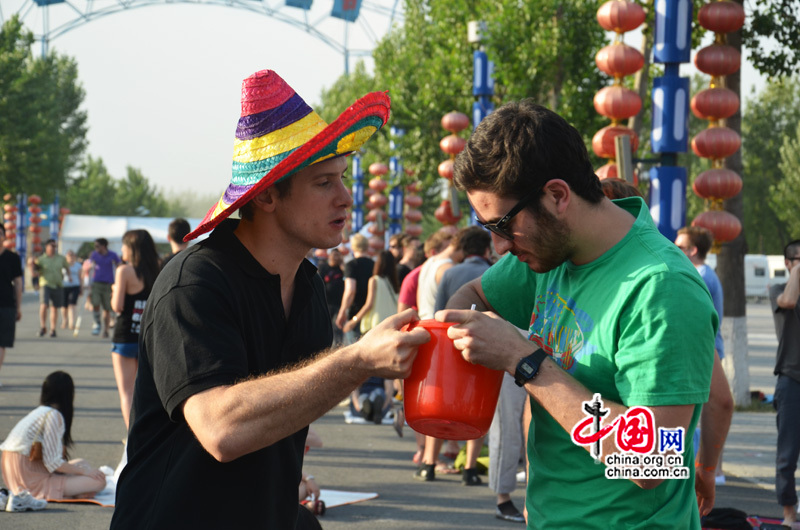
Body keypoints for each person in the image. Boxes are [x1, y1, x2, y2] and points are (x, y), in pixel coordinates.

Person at [110, 69, 428, 529]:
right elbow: (222, 428)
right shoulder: (196, 282)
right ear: (266, 197)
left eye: (343, 178)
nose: (345, 198)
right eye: (324, 183)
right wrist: (359, 361)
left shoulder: (309, 290)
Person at [437, 100, 718, 528]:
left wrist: (525, 361)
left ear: (556, 196)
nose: (499, 247)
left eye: (502, 226)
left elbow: (653, 464)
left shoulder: (661, 287)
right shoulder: (551, 253)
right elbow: (473, 292)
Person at [675, 226, 734, 486]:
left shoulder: (700, 276)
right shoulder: (702, 273)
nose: (674, 250)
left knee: (699, 412)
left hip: (704, 349)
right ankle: (713, 469)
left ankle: (709, 469)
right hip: (707, 347)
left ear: (693, 250)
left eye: (680, 246)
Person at [0, 371, 106, 510]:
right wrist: (85, 473)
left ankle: (72, 492)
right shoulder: (54, 416)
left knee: (82, 463)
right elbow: (53, 463)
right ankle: (60, 493)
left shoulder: (41, 411)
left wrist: (81, 470)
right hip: (29, 476)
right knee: (99, 481)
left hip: (14, 470)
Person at [111, 229, 160, 430]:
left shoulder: (124, 271)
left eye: (124, 245)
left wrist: (114, 291)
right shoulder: (158, 269)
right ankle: (147, 430)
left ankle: (133, 434)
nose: (122, 249)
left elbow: (117, 306)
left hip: (125, 338)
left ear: (132, 248)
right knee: (146, 390)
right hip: (148, 337)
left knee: (127, 392)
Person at [344, 250, 400, 424]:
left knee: (365, 363)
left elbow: (369, 304)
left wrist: (353, 320)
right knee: (386, 368)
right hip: (391, 329)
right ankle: (384, 400)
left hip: (373, 328)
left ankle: (363, 399)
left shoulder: (374, 280)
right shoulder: (395, 284)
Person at [768, 239, 800, 528]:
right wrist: (798, 272)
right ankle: (790, 515)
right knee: (787, 454)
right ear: (788, 263)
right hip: (791, 380)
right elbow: (788, 302)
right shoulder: (779, 289)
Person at [335, 233, 374, 345]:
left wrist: (342, 311)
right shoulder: (375, 264)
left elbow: (350, 290)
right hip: (371, 315)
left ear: (353, 247)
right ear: (367, 247)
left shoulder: (351, 265)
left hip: (355, 314)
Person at [0, 224, 22, 387]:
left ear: (4, 236)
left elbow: (18, 282)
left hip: (6, 304)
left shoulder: (13, 257)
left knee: (1, 343)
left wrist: (18, 306)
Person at [35, 239, 70, 338]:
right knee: (44, 305)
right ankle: (43, 327)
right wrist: (31, 266)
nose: (54, 248)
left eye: (55, 246)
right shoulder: (41, 259)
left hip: (58, 284)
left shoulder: (61, 258)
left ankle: (53, 329)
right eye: (52, 246)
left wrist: (69, 276)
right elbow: (36, 271)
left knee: (54, 307)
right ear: (46, 247)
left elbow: (66, 267)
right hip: (45, 284)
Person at [88, 238, 120, 338]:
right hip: (96, 283)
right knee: (95, 303)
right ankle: (97, 323)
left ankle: (105, 329)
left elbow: (119, 266)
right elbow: (88, 266)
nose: (96, 248)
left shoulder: (112, 255)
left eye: (98, 246)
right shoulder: (94, 255)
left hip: (108, 284)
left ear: (104, 246)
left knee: (107, 308)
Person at [318, 248, 345, 346]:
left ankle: (338, 348)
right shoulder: (324, 267)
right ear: (330, 256)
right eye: (334, 255)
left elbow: (349, 281)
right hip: (326, 303)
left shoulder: (342, 269)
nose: (336, 258)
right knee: (325, 328)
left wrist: (344, 268)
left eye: (338, 255)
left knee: (338, 328)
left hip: (339, 303)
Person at [61, 250, 82, 331]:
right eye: (69, 255)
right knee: (64, 306)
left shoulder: (78, 265)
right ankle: (64, 320)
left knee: (72, 304)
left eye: (72, 255)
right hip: (64, 286)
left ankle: (71, 322)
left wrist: (81, 287)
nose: (71, 257)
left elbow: (80, 277)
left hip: (75, 286)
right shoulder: (63, 265)